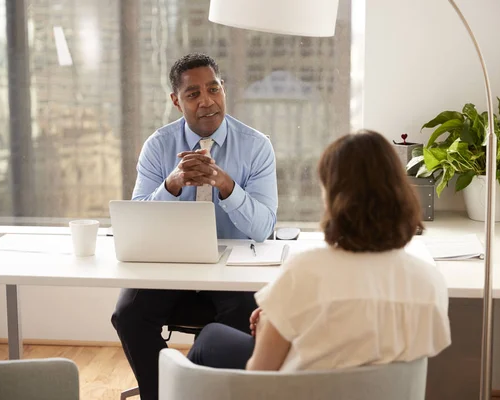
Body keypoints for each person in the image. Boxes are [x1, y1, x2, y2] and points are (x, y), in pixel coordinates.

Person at [187, 130, 451, 372]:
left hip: (305, 389)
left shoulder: (306, 271)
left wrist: (271, 322)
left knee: (210, 337)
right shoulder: (430, 282)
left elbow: (259, 375)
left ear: (335, 197)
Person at [111, 53, 278, 399]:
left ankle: (206, 393)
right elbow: (138, 220)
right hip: (171, 265)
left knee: (240, 320)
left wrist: (227, 186)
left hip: (232, 271)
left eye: (213, 89)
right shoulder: (159, 146)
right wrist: (172, 185)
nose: (207, 101)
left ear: (223, 89)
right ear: (176, 100)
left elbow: (263, 227)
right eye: (193, 94)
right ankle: (161, 394)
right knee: (128, 315)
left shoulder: (257, 146)